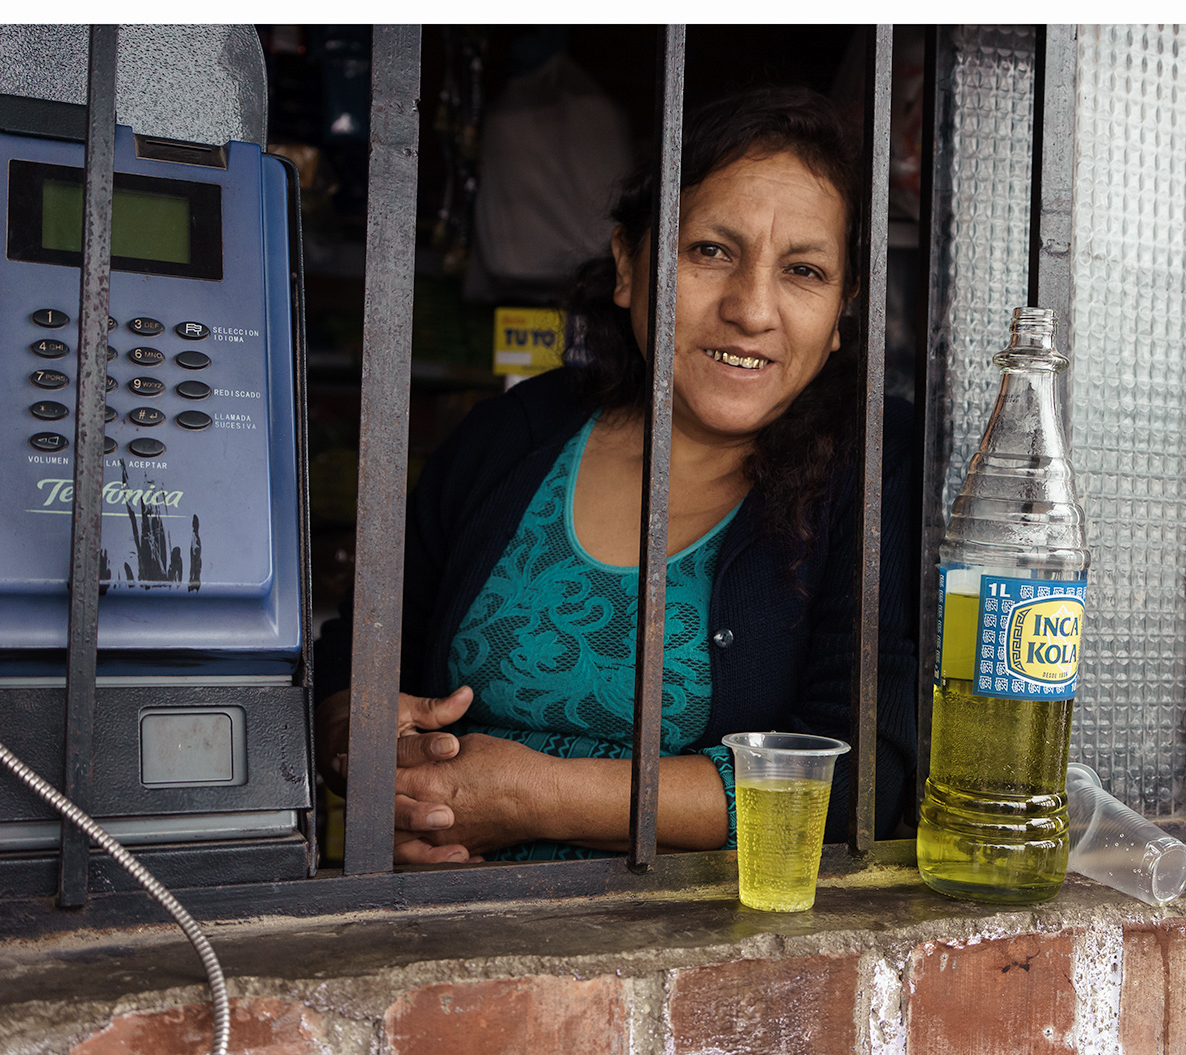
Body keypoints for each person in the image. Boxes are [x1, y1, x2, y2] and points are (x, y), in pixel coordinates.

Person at [314, 85, 917, 864]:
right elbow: (355, 649)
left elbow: (863, 782)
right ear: (629, 265)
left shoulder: (874, 470)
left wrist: (535, 799)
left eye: (803, 271)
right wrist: (361, 749)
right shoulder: (514, 433)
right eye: (711, 251)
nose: (752, 308)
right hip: (436, 923)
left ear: (842, 311)